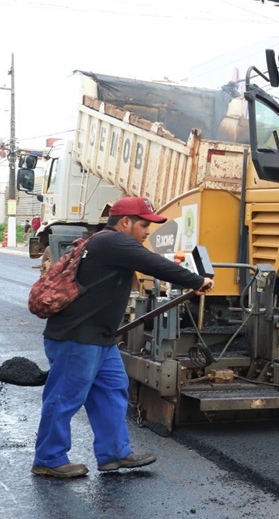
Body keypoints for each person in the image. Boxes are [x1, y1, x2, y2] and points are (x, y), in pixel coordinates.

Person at [32, 196, 213, 478]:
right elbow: (152, 263)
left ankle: (114, 454)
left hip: (100, 338)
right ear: (125, 222)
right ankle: (49, 458)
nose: (147, 231)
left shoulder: (108, 243)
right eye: (144, 224)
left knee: (112, 391)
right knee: (64, 398)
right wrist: (196, 280)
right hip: (76, 337)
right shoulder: (112, 241)